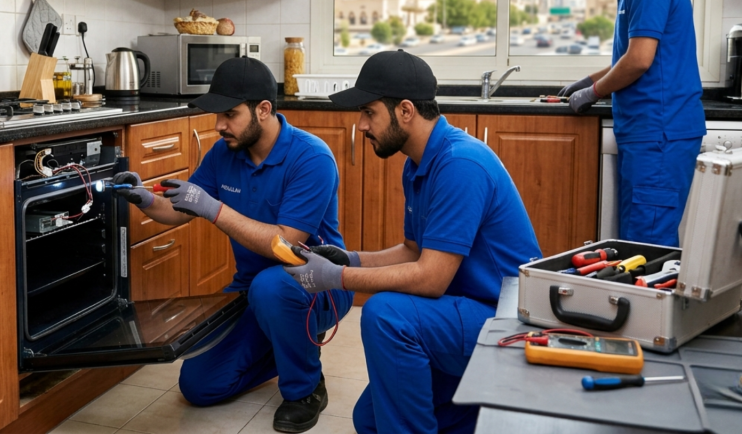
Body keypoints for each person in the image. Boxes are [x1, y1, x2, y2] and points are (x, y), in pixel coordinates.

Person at [283, 50, 541, 434]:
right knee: (369, 420)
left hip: (506, 321)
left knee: (387, 315)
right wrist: (349, 259)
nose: (361, 125)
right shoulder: (418, 163)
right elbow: (414, 251)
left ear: (405, 111)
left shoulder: (460, 164)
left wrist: (336, 278)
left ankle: (499, 401)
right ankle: (489, 412)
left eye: (369, 112)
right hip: (464, 311)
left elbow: (430, 278)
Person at [111, 57, 354, 433]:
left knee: (272, 286)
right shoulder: (224, 153)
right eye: (216, 114)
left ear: (264, 109)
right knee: (199, 386)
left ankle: (305, 388)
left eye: (229, 114)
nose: (218, 125)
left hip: (313, 286)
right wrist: (143, 196)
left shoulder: (311, 158)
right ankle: (290, 342)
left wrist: (214, 209)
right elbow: (180, 209)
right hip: (249, 291)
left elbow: (286, 246)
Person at [556, 0, 705, 246]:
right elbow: (632, 56)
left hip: (659, 134)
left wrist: (593, 92)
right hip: (651, 133)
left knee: (645, 246)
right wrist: (589, 80)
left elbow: (639, 61)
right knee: (639, 240)